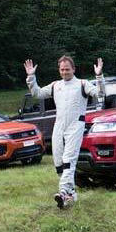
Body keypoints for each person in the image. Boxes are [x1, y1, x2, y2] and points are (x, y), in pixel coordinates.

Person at [24, 56, 104, 209]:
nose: (65, 72)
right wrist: (31, 77)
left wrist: (99, 76)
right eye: (62, 69)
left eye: (67, 69)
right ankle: (70, 194)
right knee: (59, 163)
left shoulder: (83, 84)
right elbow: (37, 93)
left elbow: (100, 94)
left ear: (73, 69)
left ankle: (63, 192)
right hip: (59, 127)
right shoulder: (56, 85)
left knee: (69, 159)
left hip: (75, 125)